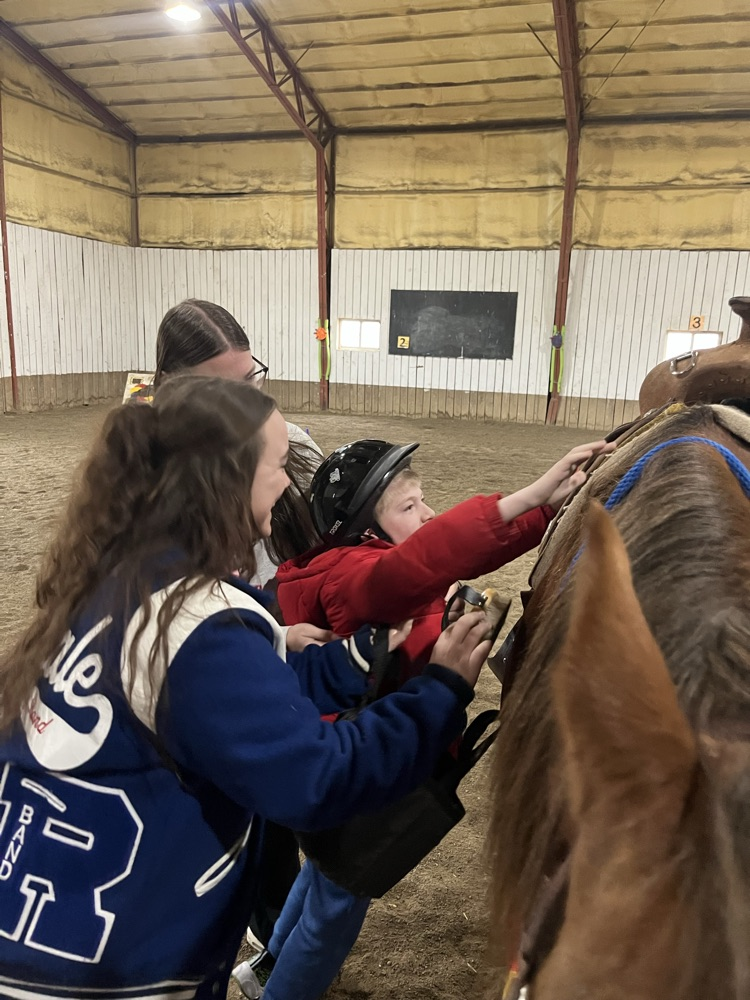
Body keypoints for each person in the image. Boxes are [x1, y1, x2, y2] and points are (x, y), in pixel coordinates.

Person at [0, 377, 491, 1000]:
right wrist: (441, 690)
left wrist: (353, 656)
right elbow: (318, 778)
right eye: (279, 465)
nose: (288, 485)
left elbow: (237, 703)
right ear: (224, 481)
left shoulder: (117, 582)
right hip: (109, 973)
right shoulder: (199, 626)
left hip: (36, 931)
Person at [250, 435, 613, 1000]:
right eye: (409, 506)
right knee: (335, 914)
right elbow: (425, 560)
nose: (429, 514)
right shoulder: (358, 578)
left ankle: (268, 962)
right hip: (366, 775)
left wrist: (545, 509)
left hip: (341, 763)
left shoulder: (336, 567)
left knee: (326, 874)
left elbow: (440, 554)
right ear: (365, 532)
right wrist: (528, 496)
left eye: (423, 501)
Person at [154, 298, 323, 589]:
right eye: (224, 391)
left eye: (249, 380)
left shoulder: (294, 444)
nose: (248, 403)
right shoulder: (143, 484)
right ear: (170, 387)